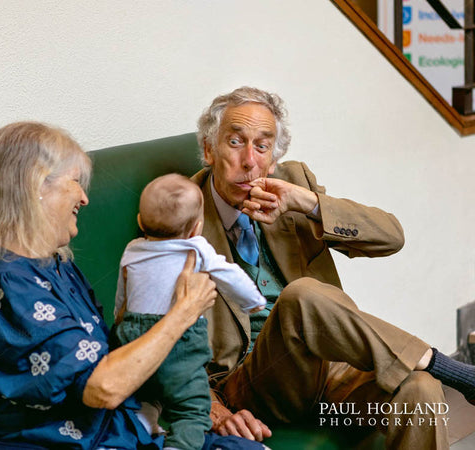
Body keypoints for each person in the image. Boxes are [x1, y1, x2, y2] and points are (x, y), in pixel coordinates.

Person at [0, 122, 267, 450]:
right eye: (75, 182)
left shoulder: (56, 266)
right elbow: (103, 387)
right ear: (35, 185)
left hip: (121, 433)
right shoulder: (5, 286)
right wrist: (183, 313)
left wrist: (141, 312)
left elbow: (101, 358)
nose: (84, 198)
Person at [191, 87, 475, 450]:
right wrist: (213, 408)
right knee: (301, 295)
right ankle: (444, 366)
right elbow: (162, 329)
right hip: (254, 383)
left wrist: (308, 204)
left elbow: (392, 237)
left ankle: (435, 372)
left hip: (329, 369)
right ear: (208, 150)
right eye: (235, 142)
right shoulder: (182, 211)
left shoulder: (294, 185)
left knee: (421, 389)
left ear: (273, 160)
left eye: (262, 146)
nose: (249, 160)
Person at [113, 173, 266, 450]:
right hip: (179, 344)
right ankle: (179, 446)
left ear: (139, 221)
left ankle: (143, 427)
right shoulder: (196, 248)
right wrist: (253, 301)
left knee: (146, 394)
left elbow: (122, 295)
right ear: (197, 228)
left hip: (133, 338)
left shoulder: (132, 250)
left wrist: (120, 324)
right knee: (192, 408)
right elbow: (229, 275)